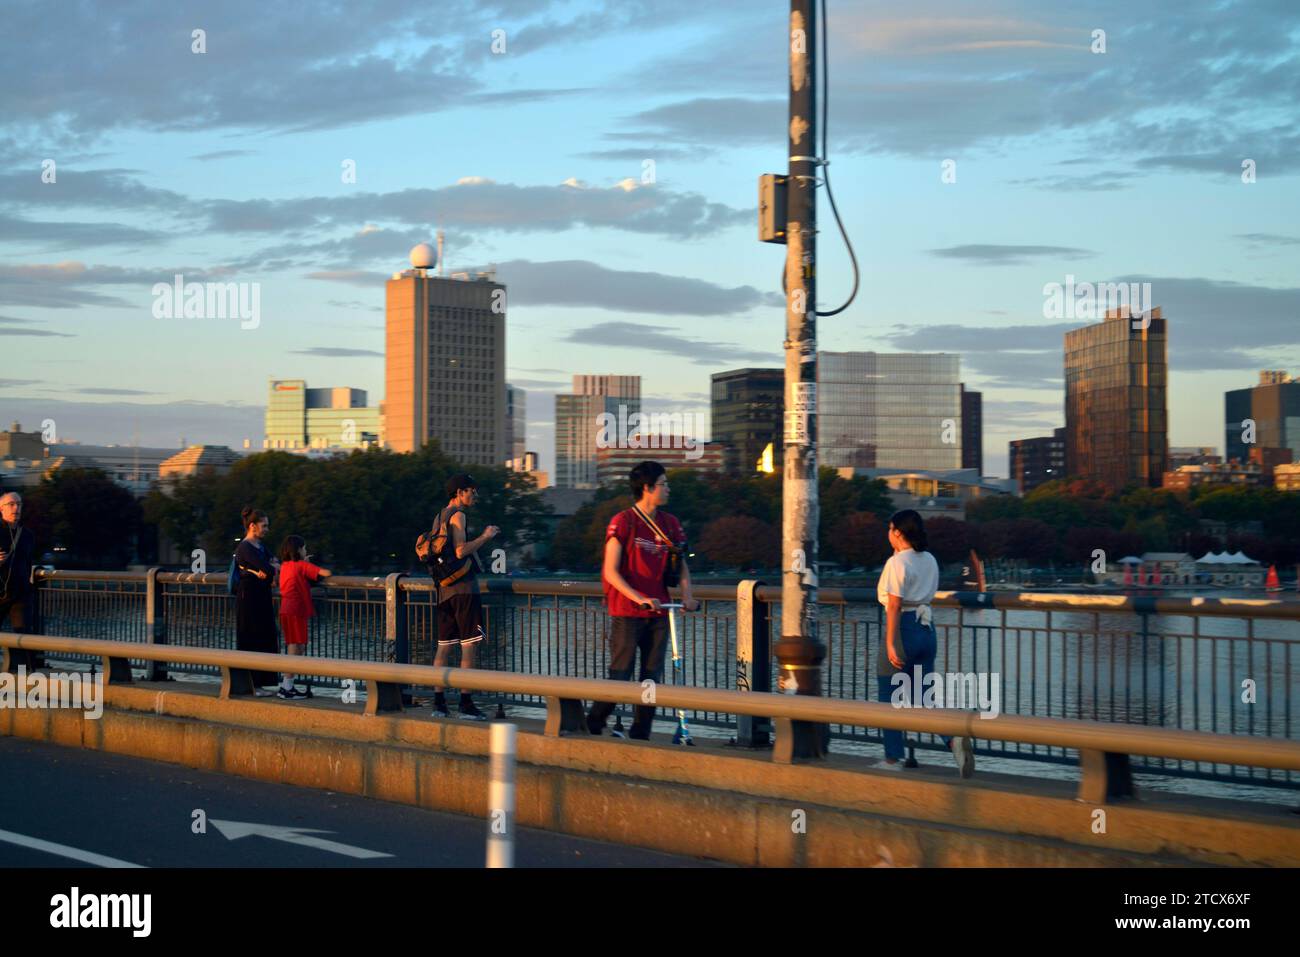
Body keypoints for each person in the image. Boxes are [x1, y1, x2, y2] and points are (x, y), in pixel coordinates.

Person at [588, 461, 698, 740]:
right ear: (647, 489)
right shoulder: (624, 521)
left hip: (659, 611)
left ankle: (641, 733)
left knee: (651, 676)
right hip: (628, 610)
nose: (668, 489)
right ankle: (593, 723)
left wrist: (687, 596)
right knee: (621, 673)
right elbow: (610, 572)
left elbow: (681, 563)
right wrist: (640, 597)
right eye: (664, 484)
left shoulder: (670, 523)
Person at [875, 509, 974, 777]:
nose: (887, 533)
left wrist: (891, 644)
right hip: (926, 629)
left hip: (904, 629)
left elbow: (894, 605)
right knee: (922, 697)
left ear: (897, 532)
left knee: (889, 699)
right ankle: (952, 740)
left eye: (889, 529)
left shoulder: (896, 564)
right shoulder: (928, 559)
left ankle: (892, 758)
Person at [428, 474, 498, 720]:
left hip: (443, 590)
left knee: (443, 648)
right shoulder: (459, 515)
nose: (474, 495)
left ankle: (438, 704)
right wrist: (486, 537)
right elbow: (460, 550)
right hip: (464, 590)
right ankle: (466, 704)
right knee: (469, 647)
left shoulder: (440, 516)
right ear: (459, 492)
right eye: (471, 491)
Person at [276, 535, 331, 700]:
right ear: (299, 550)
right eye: (304, 548)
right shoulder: (301, 565)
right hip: (297, 611)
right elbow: (326, 573)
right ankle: (287, 688)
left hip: (285, 609)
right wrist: (307, 563)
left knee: (294, 646)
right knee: (296, 647)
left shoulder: (285, 565)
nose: (306, 550)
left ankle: (287, 686)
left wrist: (304, 562)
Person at [234, 506, 281, 694]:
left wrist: (270, 568)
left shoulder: (260, 546)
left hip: (261, 596)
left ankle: (260, 683)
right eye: (265, 525)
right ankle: (252, 684)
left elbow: (275, 565)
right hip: (249, 598)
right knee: (251, 637)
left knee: (265, 637)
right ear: (253, 526)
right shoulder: (245, 547)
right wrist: (270, 568)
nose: (267, 529)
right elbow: (270, 568)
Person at [0, 492, 35, 636]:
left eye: (19, 504)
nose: (16, 508)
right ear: (1, 509)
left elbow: (29, 561)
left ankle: (24, 659)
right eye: (12, 504)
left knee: (22, 637)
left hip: (19, 594)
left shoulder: (27, 534)